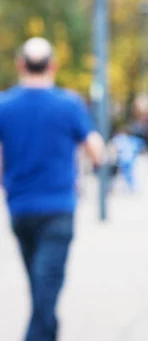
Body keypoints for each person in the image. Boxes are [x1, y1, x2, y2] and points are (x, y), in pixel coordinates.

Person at [0, 37, 104, 341]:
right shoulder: (69, 104)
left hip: (20, 209)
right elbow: (96, 149)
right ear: (53, 66)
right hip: (58, 210)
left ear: (21, 65)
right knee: (45, 294)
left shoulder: (4, 105)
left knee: (40, 289)